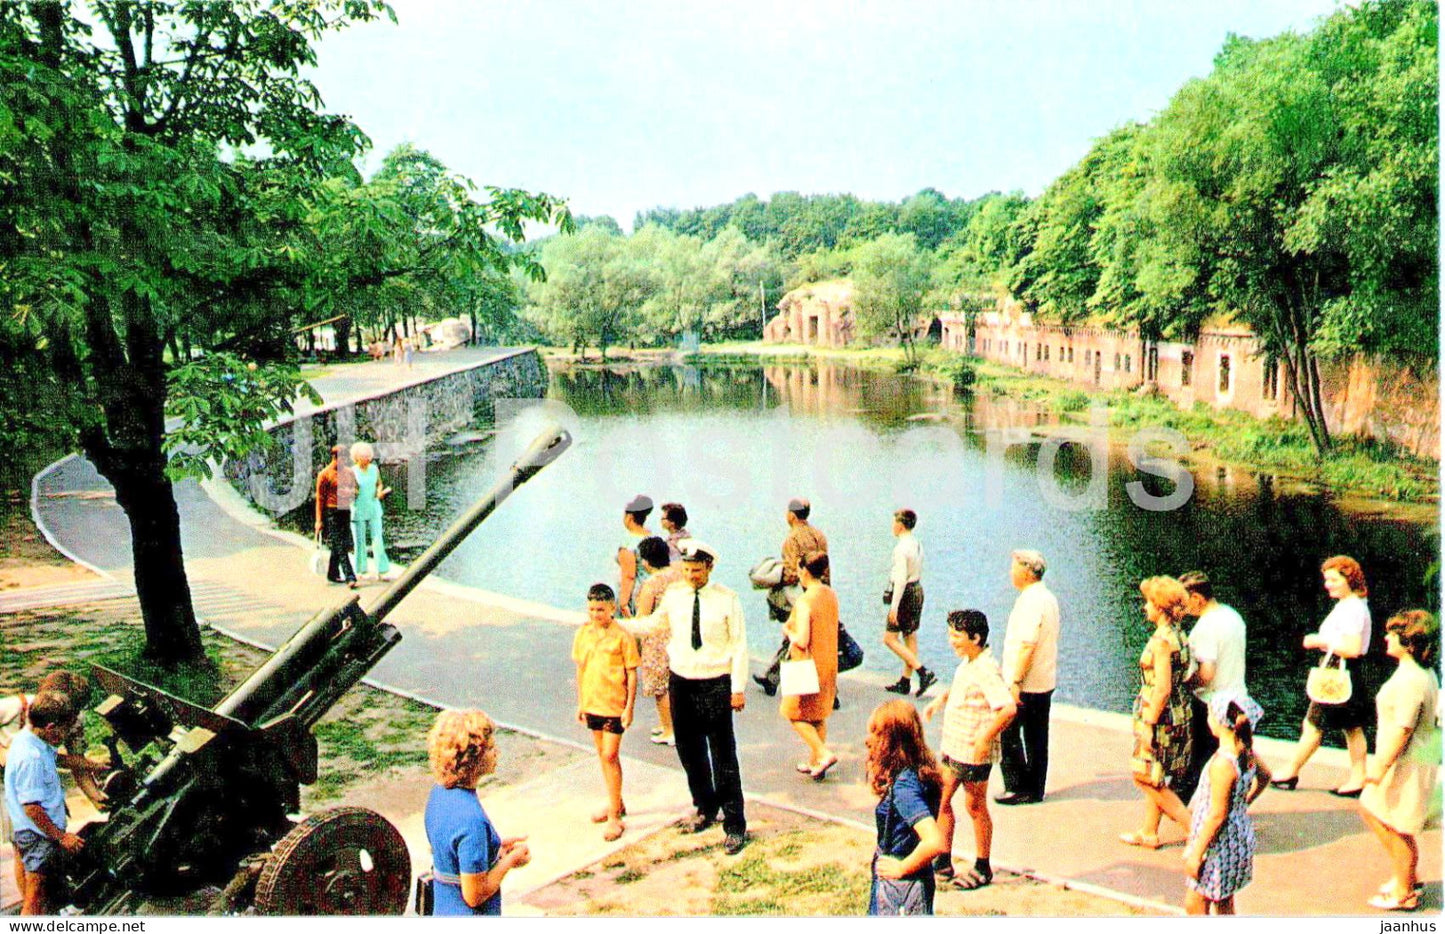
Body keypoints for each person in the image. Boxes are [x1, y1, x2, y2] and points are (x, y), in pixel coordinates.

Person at [621, 540, 750, 855]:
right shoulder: (675, 596)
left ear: (709, 568)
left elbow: (739, 645)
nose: (691, 575)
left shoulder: (727, 600)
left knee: (723, 756)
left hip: (715, 682)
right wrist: (617, 625)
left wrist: (737, 688)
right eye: (687, 569)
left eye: (697, 570)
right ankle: (705, 807)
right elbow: (654, 624)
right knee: (689, 750)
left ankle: (735, 825)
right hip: (682, 681)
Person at [923, 609, 1015, 891]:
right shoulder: (969, 662)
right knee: (940, 799)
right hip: (954, 745)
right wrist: (941, 699)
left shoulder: (986, 669)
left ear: (975, 638)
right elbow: (965, 687)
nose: (951, 640)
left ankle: (982, 866)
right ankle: (942, 860)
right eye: (950, 633)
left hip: (972, 751)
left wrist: (985, 738)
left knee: (974, 806)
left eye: (956, 635)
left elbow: (1008, 708)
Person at [1270, 555, 1372, 795]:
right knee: (1351, 727)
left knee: (1314, 724)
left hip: (1338, 672)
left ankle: (1291, 771)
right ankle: (1358, 778)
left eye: (1334, 580)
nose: (1328, 585)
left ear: (1350, 579)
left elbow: (1353, 648)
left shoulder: (1352, 608)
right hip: (1343, 673)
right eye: (1327, 580)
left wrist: (1319, 641)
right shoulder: (1351, 604)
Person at [1360, 610, 1439, 912]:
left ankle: (1404, 892)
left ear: (1407, 642)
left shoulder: (1410, 679)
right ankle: (1406, 877)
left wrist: (1378, 769)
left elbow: (1402, 730)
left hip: (1406, 763)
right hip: (1415, 758)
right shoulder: (1420, 672)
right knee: (1388, 818)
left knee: (1392, 823)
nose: (1385, 638)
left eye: (1391, 634)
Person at [423, 709, 531, 915]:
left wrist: (494, 850)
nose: (496, 752)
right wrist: (510, 860)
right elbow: (474, 894)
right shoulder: (471, 820)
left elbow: (451, 850)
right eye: (490, 748)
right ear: (472, 759)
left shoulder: (439, 794)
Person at [1120, 576, 1194, 849]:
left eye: (1148, 602)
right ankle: (1149, 832)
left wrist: (1149, 723)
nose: (1145, 608)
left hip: (1160, 714)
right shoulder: (1179, 634)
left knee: (1144, 776)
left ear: (1160, 607)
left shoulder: (1162, 641)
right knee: (1156, 774)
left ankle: (1194, 830)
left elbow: (1161, 687)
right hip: (1177, 710)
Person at [1183, 692, 1269, 916]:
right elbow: (1266, 776)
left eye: (1210, 713)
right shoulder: (1246, 753)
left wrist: (1195, 853)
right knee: (1223, 902)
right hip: (1236, 838)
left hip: (1217, 845)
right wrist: (1243, 802)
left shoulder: (1222, 764)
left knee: (1195, 904)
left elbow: (1217, 815)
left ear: (1221, 722)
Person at [4, 693, 84, 915]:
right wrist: (61, 837)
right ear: (50, 727)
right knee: (35, 899)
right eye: (65, 729)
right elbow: (31, 807)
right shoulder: (32, 757)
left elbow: (57, 758)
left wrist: (90, 765)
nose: (66, 734)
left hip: (37, 832)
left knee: (45, 895)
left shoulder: (30, 739)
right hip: (39, 835)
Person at [865, 699, 947, 916]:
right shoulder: (919, 771)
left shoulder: (904, 787)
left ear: (894, 740)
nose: (868, 741)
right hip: (917, 878)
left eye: (877, 734)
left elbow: (935, 842)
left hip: (901, 885)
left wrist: (903, 867)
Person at [572, 583, 639, 842]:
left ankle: (615, 817)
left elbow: (632, 673)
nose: (595, 614)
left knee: (611, 754)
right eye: (591, 609)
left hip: (615, 704)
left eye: (600, 609)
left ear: (612, 608)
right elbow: (581, 669)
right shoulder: (583, 634)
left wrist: (629, 707)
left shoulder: (623, 636)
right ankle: (616, 802)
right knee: (602, 755)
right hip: (592, 703)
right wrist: (581, 703)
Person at [996, 549, 1061, 805]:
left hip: (1026, 683)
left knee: (1008, 733)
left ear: (1026, 570)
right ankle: (1035, 788)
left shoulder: (1031, 601)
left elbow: (1026, 645)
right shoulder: (1047, 598)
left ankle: (1017, 786)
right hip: (1044, 680)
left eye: (1013, 568)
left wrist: (1015, 681)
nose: (1010, 573)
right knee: (1037, 737)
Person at [1176, 571, 1247, 804]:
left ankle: (1185, 814)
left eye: (1184, 603)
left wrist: (1184, 683)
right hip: (1236, 697)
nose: (1184, 610)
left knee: (1197, 763)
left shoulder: (1206, 627)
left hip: (1210, 702)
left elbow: (1206, 674)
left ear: (1196, 598)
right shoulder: (1232, 616)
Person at [755, 498, 829, 696]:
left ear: (792, 515)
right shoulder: (819, 535)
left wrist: (771, 578)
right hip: (820, 591)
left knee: (797, 639)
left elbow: (790, 573)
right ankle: (772, 678)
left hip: (799, 596)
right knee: (812, 638)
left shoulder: (792, 539)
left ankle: (824, 691)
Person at [780, 551, 839, 780]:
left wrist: (789, 631)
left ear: (804, 571)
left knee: (793, 712)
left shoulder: (805, 601)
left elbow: (802, 639)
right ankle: (816, 762)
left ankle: (823, 754)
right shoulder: (830, 595)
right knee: (818, 714)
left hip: (806, 665)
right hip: (828, 662)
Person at [635, 537, 684, 747]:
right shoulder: (679, 574)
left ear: (646, 561)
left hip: (658, 640)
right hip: (680, 634)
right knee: (676, 685)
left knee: (660, 688)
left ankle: (669, 730)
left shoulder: (651, 584)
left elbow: (643, 619)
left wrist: (636, 647)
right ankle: (671, 725)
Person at [883, 509, 936, 698]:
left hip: (905, 593)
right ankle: (905, 681)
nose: (892, 526)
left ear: (900, 524)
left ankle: (923, 672)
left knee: (889, 639)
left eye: (894, 522)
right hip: (917, 590)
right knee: (910, 636)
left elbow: (900, 579)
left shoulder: (900, 549)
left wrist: (894, 607)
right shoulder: (917, 544)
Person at [314, 445, 359, 589]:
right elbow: (320, 499)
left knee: (341, 542)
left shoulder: (349, 473)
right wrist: (319, 520)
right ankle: (350, 576)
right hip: (331, 511)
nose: (344, 461)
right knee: (340, 544)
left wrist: (351, 493)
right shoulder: (325, 474)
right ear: (335, 457)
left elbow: (356, 489)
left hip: (345, 510)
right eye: (342, 458)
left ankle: (332, 573)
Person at [349, 441, 392, 580]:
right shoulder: (352, 471)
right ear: (356, 458)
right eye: (364, 456)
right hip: (358, 508)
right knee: (359, 540)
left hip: (373, 507)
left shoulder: (374, 469)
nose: (368, 459)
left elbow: (379, 484)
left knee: (377, 539)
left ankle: (382, 570)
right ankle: (360, 570)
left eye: (369, 456)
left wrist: (379, 492)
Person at [616, 494, 654, 617]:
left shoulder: (628, 543)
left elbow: (629, 575)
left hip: (635, 593)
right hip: (652, 589)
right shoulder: (652, 537)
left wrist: (623, 602)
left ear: (629, 517)